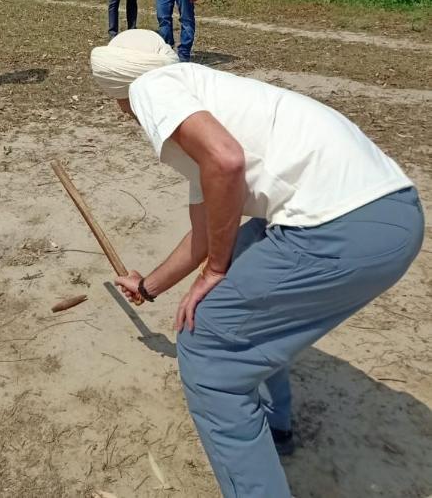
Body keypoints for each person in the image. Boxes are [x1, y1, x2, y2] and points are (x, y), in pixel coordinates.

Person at [89, 29, 423, 498]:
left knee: (208, 349)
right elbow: (207, 233)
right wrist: (149, 287)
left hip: (342, 226)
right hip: (391, 212)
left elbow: (226, 163)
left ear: (118, 91)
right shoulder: (207, 101)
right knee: (242, 266)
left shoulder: (153, 86)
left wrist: (215, 272)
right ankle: (273, 425)